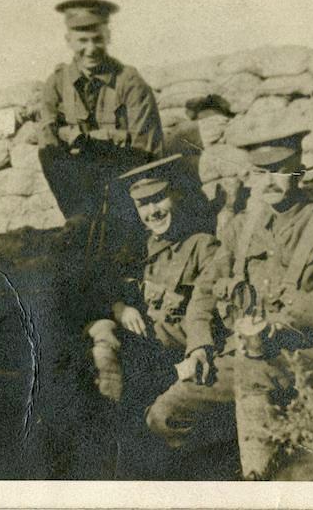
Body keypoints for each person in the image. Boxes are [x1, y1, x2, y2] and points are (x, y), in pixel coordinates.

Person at [145, 126, 313, 479]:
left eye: (279, 170)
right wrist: (199, 344)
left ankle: (259, 477)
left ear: (299, 172)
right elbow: (204, 293)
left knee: (257, 392)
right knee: (165, 416)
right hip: (242, 357)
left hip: (304, 356)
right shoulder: (240, 228)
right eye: (261, 173)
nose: (270, 181)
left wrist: (278, 326)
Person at [84, 154, 226, 479]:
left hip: (184, 362)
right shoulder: (144, 249)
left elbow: (204, 314)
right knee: (102, 334)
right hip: (151, 359)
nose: (153, 211)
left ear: (176, 195)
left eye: (159, 198)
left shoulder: (204, 247)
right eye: (143, 204)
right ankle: (111, 440)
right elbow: (112, 287)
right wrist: (122, 308)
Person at [37, 0, 164, 245]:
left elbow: (146, 150)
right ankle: (81, 224)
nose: (91, 48)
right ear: (69, 41)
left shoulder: (129, 81)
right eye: (82, 41)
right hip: (78, 189)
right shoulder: (56, 83)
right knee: (49, 153)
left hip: (123, 181)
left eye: (97, 39)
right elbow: (48, 140)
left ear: (108, 36)